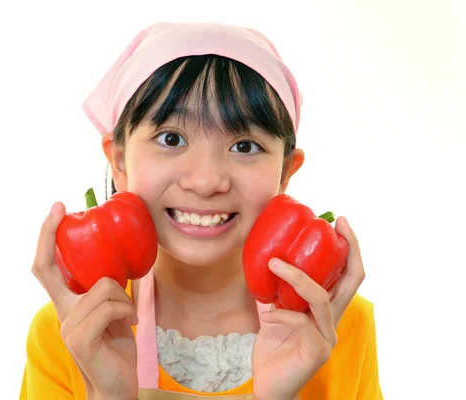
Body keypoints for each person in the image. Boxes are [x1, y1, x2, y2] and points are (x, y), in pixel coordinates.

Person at [20, 22, 383, 400]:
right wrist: (108, 395)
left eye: (244, 146)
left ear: (286, 172)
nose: (207, 181)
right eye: (171, 138)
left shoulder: (336, 324)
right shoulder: (71, 331)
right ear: (120, 161)